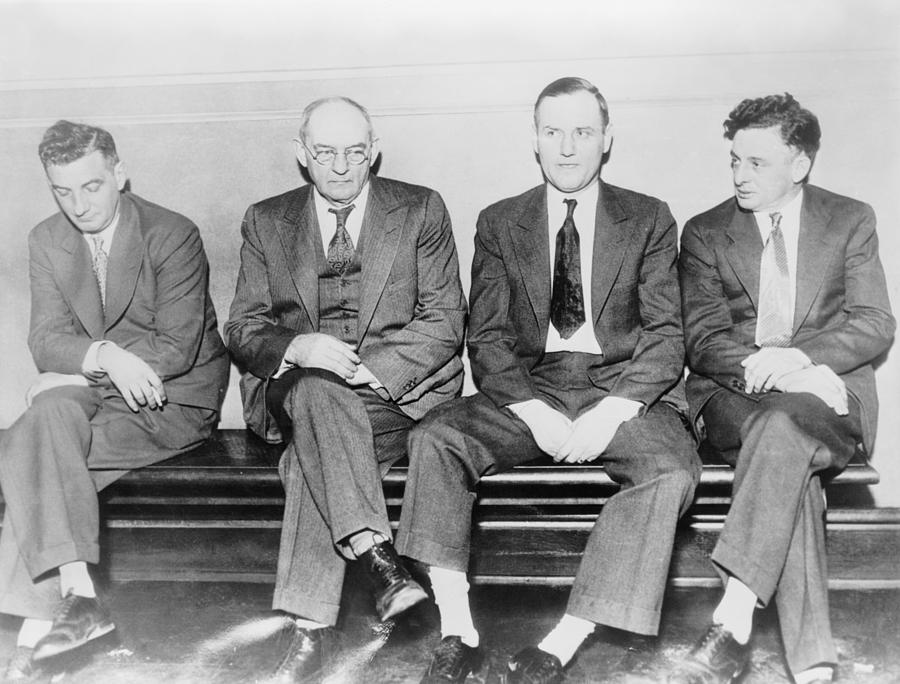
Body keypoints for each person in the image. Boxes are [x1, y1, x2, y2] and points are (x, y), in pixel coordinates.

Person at [394, 76, 701, 684]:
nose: (567, 148)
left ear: (607, 139)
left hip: (621, 387)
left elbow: (666, 336)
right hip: (530, 388)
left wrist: (615, 411)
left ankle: (564, 639)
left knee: (671, 470)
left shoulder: (648, 218)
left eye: (583, 132)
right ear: (534, 139)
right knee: (435, 438)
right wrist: (531, 409)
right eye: (553, 132)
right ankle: (457, 628)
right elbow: (486, 337)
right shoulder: (501, 221)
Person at [224, 96, 466, 681]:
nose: (340, 167)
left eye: (354, 152)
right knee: (313, 393)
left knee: (312, 458)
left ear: (374, 151)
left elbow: (444, 320)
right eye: (325, 153)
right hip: (295, 391)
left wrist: (362, 369)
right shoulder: (266, 219)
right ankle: (378, 558)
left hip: (391, 396)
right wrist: (300, 348)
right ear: (301, 154)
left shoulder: (420, 209)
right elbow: (242, 327)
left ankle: (309, 633)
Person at [672, 93, 895, 684]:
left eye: (758, 163)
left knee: (783, 432)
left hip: (824, 397)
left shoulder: (850, 219)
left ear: (800, 164)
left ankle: (734, 617)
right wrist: (767, 367)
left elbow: (875, 321)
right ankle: (811, 662)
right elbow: (703, 339)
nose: (741, 175)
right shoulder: (706, 231)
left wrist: (802, 358)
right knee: (778, 435)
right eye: (735, 161)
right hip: (733, 396)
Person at [0, 120, 229, 680]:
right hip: (101, 385)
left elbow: (174, 349)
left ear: (119, 174)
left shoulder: (172, 233)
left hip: (172, 399)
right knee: (46, 417)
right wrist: (103, 357)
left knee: (30, 447)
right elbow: (45, 340)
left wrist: (78, 369)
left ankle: (33, 637)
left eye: (92, 186)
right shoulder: (46, 239)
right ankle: (79, 596)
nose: (78, 205)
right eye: (63, 190)